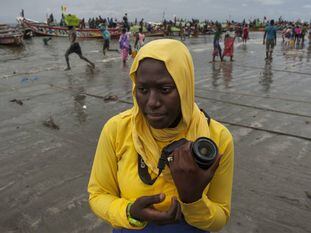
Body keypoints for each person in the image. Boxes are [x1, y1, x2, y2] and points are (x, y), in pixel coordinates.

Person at [88, 39, 234, 232]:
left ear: (185, 87)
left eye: (165, 89)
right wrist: (130, 212)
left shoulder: (216, 138)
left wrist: (193, 200)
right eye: (142, 90)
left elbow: (220, 217)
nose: (152, 102)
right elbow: (98, 195)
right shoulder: (117, 129)